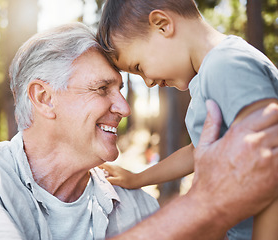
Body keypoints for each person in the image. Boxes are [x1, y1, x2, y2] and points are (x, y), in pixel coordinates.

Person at [0, 22, 278, 240]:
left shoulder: (138, 208)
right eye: (102, 89)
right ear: (44, 98)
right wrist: (205, 203)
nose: (124, 107)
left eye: (120, 89)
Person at [96, 0, 278, 239]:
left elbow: (270, 160)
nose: (148, 81)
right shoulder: (211, 74)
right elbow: (197, 151)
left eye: (139, 67)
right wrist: (138, 178)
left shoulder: (225, 66)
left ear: (162, 25)